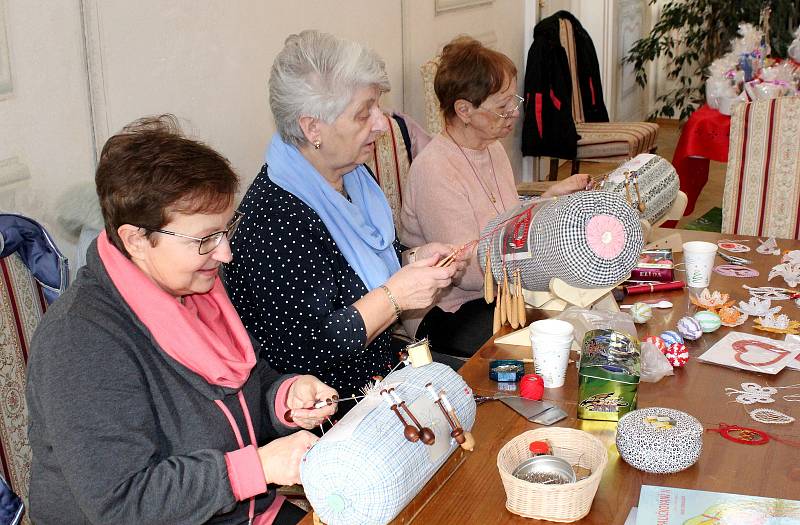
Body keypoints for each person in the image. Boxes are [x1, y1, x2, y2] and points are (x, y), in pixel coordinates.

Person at [25, 115, 338, 525]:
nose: (225, 253)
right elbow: (123, 502)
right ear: (137, 239)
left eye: (226, 230)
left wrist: (286, 399)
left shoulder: (196, 288)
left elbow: (247, 386)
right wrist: (256, 469)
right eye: (206, 239)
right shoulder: (80, 342)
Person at [225, 30, 465, 399]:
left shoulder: (351, 175)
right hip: (331, 407)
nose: (382, 123)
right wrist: (396, 296)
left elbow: (368, 263)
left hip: (382, 377)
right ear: (312, 128)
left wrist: (415, 260)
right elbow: (307, 350)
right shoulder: (275, 219)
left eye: (377, 107)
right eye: (362, 113)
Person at [399, 36, 590, 358]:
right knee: (551, 341)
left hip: (501, 289)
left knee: (584, 308)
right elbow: (469, 272)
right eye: (502, 107)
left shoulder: (492, 150)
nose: (514, 113)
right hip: (449, 307)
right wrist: (542, 254)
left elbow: (508, 224)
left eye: (513, 101)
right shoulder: (434, 169)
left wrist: (551, 198)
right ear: (464, 110)